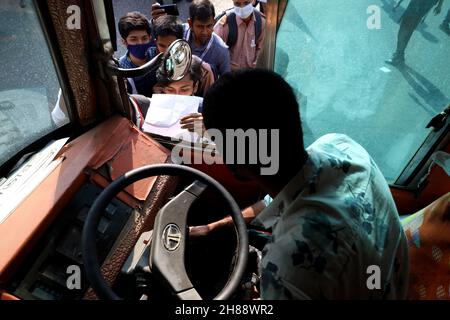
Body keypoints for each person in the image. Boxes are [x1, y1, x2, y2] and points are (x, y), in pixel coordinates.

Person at [195, 69, 409, 299]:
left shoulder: (286, 269)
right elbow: (276, 201)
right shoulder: (342, 146)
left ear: (234, 160)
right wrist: (215, 227)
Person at [129, 55, 204, 131]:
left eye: (184, 90)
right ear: (162, 87)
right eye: (170, 90)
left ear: (195, 87)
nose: (177, 95)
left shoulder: (206, 110)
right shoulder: (149, 108)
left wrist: (209, 126)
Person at [152, 16, 215, 97]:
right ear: (155, 43)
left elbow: (209, 99)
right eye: (162, 45)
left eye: (184, 89)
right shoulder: (151, 63)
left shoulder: (203, 70)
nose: (167, 50)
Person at [386, 0, 444, 66]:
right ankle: (399, 54)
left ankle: (399, 55)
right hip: (425, 4)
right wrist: (439, 5)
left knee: (405, 28)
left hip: (419, 4)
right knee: (409, 28)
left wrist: (439, 5)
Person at [214, 0, 266, 70]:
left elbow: (261, 50)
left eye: (246, 3)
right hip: (230, 73)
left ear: (253, 1)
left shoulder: (261, 22)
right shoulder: (226, 23)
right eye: (237, 4)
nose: (242, 7)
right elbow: (215, 51)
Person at [118, 12, 156, 97]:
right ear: (124, 42)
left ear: (150, 38)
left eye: (144, 38)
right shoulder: (122, 68)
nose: (140, 43)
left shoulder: (157, 55)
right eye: (134, 39)